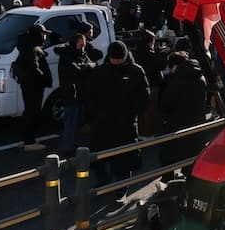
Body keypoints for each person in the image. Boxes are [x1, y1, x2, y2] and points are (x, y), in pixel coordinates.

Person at [87, 40, 150, 188]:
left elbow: (144, 96)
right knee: (97, 156)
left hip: (126, 123)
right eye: (113, 58)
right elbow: (90, 94)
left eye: (119, 59)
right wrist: (96, 112)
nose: (116, 61)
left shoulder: (136, 71)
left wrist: (131, 112)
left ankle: (122, 187)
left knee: (125, 158)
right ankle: (103, 178)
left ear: (125, 56)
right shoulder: (100, 71)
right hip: (103, 122)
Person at [157, 51, 208, 181]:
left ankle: (168, 179)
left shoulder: (177, 81)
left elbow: (166, 103)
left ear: (175, 65)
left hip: (177, 123)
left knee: (170, 153)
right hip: (197, 121)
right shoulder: (200, 75)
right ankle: (189, 175)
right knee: (193, 152)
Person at [13, 24, 53, 152]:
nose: (45, 36)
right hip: (34, 85)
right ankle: (29, 142)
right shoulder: (33, 48)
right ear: (38, 34)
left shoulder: (25, 44)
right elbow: (33, 67)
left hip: (27, 83)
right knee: (33, 112)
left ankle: (24, 139)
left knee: (28, 111)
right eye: (43, 34)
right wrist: (43, 78)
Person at [56, 31, 96, 156]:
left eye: (84, 45)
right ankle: (68, 147)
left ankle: (72, 144)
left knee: (77, 121)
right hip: (71, 93)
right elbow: (77, 69)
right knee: (70, 121)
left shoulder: (81, 54)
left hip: (81, 93)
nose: (83, 47)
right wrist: (89, 66)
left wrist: (88, 66)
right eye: (81, 45)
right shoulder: (67, 56)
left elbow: (90, 64)